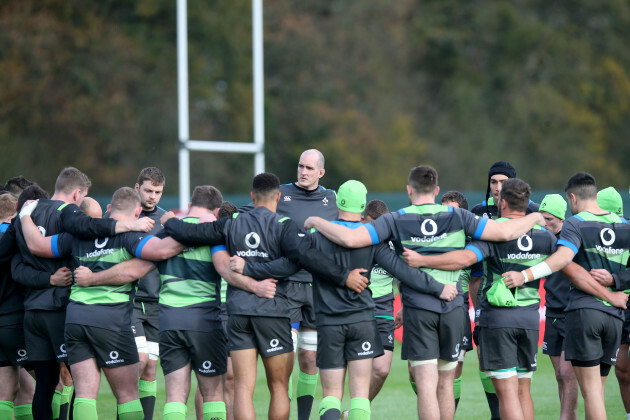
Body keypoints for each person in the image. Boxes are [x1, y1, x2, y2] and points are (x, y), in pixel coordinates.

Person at [305, 165, 544, 420]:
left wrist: (317, 221)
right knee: (446, 383)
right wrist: (536, 217)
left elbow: (351, 238)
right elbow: (505, 231)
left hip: (419, 310)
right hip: (453, 306)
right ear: (437, 190)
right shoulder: (458, 216)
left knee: (427, 385)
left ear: (409, 191)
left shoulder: (395, 219)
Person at [233, 181, 457, 419]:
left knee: (331, 394)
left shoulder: (316, 237)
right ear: (362, 206)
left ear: (338, 201)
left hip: (329, 325)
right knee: (360, 395)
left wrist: (249, 269)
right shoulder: (371, 239)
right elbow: (404, 271)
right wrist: (439, 288)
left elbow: (288, 265)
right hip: (362, 323)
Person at [162, 173, 367, 420]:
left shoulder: (232, 222)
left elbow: (191, 233)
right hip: (273, 311)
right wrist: (343, 276)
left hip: (239, 313)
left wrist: (168, 221)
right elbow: (305, 259)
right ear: (279, 197)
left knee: (242, 389)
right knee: (279, 386)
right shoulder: (284, 224)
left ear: (252, 196)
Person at [0, 167, 154, 420]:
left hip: (31, 312)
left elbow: (15, 266)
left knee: (45, 386)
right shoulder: (67, 213)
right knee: (81, 385)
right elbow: (83, 226)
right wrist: (128, 224)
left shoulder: (23, 218)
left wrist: (24, 217)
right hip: (61, 309)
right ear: (77, 194)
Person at [19, 186, 183, 420]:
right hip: (111, 321)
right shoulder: (130, 236)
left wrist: (25, 216)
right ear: (137, 212)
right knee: (127, 395)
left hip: (76, 319)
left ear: (109, 209)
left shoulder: (78, 235)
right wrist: (179, 227)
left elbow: (38, 245)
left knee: (85, 394)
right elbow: (163, 251)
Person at [404, 179, 557, 420]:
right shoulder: (546, 237)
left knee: (507, 394)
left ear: (502, 202)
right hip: (529, 320)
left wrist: (423, 261)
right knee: (524, 390)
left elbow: (464, 259)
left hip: (499, 319)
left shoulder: (492, 231)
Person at [502, 172, 630, 420]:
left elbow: (561, 260)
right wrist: (616, 281)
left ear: (572, 198)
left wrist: (526, 275)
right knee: (599, 391)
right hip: (615, 317)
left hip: (586, 314)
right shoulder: (625, 225)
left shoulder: (576, 223)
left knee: (591, 393)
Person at [241, 149, 338, 419]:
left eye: (309, 168)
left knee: (310, 359)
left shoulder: (332, 199)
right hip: (287, 287)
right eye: (300, 166)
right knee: (286, 360)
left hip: (319, 289)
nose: (303, 172)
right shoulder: (280, 194)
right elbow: (243, 215)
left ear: (321, 172)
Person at [131, 167, 171, 419]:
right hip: (130, 302)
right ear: (137, 189)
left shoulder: (167, 220)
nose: (152, 196)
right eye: (148, 190)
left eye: (157, 192)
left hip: (157, 305)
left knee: (151, 367)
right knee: (140, 360)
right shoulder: (122, 215)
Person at [537, 194, 578, 420]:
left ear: (562, 220)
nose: (545, 224)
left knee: (567, 373)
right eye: (542, 219)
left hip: (571, 314)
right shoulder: (543, 240)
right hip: (552, 312)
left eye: (550, 219)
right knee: (558, 375)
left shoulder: (571, 242)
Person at [594, 186, 630, 419]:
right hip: (611, 308)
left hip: (625, 302)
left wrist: (616, 279)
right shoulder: (588, 230)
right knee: (622, 371)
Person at [0, 193, 34, 420]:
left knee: (6, 392)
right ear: (16, 207)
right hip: (14, 319)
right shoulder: (16, 237)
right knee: (55, 382)